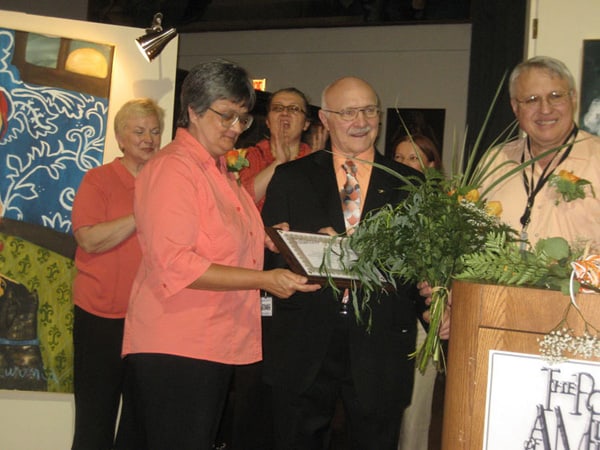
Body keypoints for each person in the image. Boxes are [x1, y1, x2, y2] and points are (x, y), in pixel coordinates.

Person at [119, 60, 320, 450]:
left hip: (208, 339)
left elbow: (238, 233)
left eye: (243, 119)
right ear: (193, 110)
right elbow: (177, 264)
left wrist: (275, 239)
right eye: (226, 116)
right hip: (175, 342)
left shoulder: (218, 170)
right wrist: (265, 280)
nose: (235, 129)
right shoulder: (174, 168)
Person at [261, 76, 426, 450]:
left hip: (380, 341)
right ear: (325, 118)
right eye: (348, 112)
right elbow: (270, 253)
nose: (361, 121)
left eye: (369, 110)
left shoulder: (411, 184)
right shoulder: (290, 178)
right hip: (303, 339)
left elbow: (419, 265)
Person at [71, 98, 164, 450]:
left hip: (152, 322)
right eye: (139, 131)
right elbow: (89, 239)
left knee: (140, 424)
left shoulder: (167, 182)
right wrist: (143, 212)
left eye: (155, 131)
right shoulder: (99, 180)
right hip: (100, 317)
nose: (148, 138)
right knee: (95, 422)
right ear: (120, 138)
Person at [479, 56, 600, 251]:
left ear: (574, 98)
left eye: (555, 96)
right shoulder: (494, 161)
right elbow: (469, 238)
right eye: (532, 100)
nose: (545, 109)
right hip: (499, 282)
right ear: (515, 107)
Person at [392, 133, 444, 450]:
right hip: (386, 323)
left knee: (414, 416)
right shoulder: (381, 205)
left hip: (423, 324)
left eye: (413, 158)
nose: (405, 165)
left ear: (430, 165)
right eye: (398, 158)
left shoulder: (446, 209)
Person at [239, 87, 327, 211]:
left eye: (294, 109)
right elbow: (240, 202)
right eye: (278, 108)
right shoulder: (248, 156)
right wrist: (279, 163)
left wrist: (315, 169)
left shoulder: (316, 160)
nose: (285, 113)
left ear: (306, 124)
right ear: (268, 122)